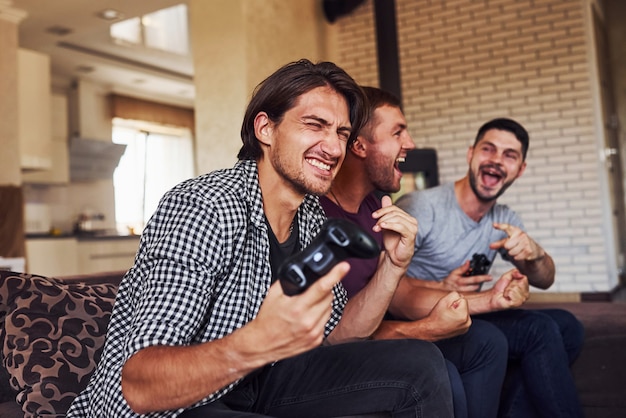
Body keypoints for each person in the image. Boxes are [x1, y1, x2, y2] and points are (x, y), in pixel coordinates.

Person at [67, 60, 454, 418]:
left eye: (341, 132)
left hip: (258, 380)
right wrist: (258, 341)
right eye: (314, 125)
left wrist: (393, 265)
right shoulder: (204, 207)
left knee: (421, 365)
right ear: (265, 128)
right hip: (172, 407)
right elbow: (140, 384)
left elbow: (339, 334)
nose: (334, 148)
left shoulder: (310, 216)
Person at [321, 87, 530, 418]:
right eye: (398, 132)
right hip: (334, 351)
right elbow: (335, 335)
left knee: (491, 342)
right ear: (359, 145)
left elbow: (398, 292)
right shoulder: (318, 215)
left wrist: (490, 298)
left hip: (372, 328)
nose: (411, 143)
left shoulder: (376, 206)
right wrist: (425, 329)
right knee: (437, 370)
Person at [396, 117, 585, 418]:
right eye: (489, 149)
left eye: (509, 155)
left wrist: (535, 255)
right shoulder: (422, 207)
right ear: (471, 154)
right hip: (426, 320)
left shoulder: (503, 219)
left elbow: (545, 280)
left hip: (471, 313)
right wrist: (442, 287)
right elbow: (382, 284)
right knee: (538, 330)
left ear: (520, 169)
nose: (496, 161)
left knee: (568, 324)